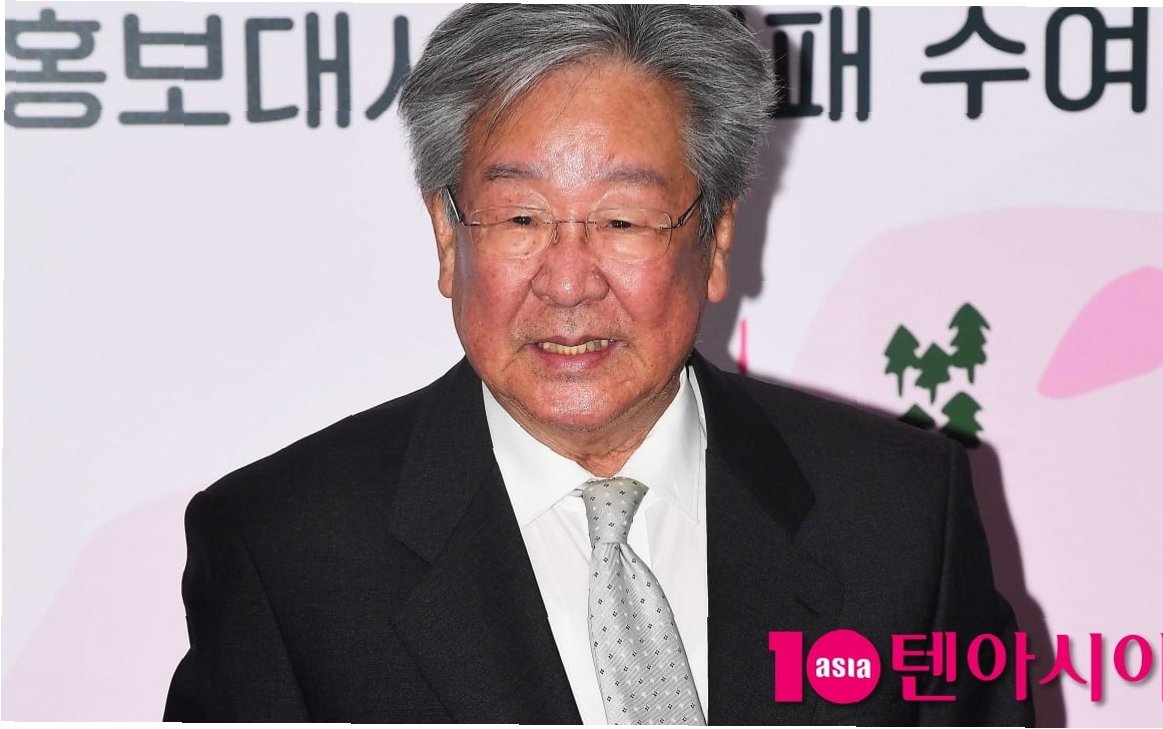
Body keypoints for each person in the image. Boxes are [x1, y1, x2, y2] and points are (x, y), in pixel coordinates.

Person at [164, 5, 1033, 725]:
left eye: (622, 220)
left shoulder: (899, 512)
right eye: (520, 218)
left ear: (715, 239)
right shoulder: (288, 549)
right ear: (447, 237)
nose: (569, 281)